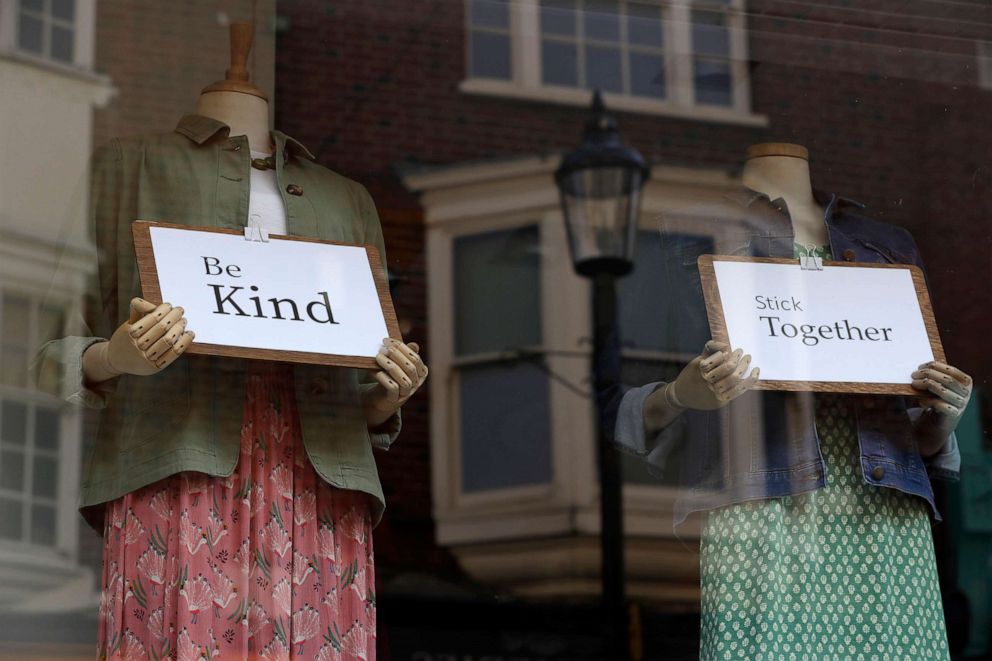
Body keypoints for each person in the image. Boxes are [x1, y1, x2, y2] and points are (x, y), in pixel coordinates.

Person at [37, 23, 424, 659]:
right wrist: (117, 356)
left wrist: (388, 395)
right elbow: (45, 350)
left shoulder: (346, 199)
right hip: (173, 465)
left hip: (320, 483)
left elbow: (364, 384)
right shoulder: (128, 165)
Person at [607, 143, 969, 659]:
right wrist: (679, 394)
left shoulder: (889, 246)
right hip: (760, 512)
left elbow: (914, 422)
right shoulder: (681, 237)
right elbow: (624, 408)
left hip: (886, 517)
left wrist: (942, 421)